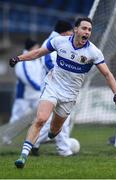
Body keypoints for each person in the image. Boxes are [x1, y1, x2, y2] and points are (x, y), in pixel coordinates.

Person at [9, 17, 116, 169]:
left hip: (69, 95)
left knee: (55, 130)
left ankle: (52, 134)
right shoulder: (59, 41)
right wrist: (18, 58)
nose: (87, 32)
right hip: (53, 86)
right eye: (84, 28)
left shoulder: (94, 52)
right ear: (76, 29)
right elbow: (38, 53)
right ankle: (23, 156)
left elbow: (107, 74)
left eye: (89, 29)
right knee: (41, 119)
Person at [32, 20, 78, 157]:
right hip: (54, 87)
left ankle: (33, 143)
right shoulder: (52, 41)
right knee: (63, 119)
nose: (72, 34)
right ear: (64, 32)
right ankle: (64, 150)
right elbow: (48, 62)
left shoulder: (56, 40)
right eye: (71, 32)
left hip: (57, 87)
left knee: (56, 121)